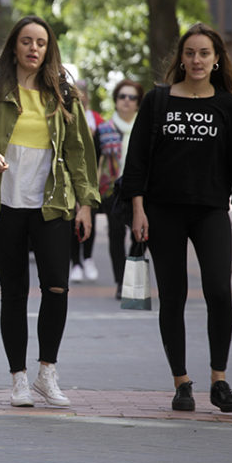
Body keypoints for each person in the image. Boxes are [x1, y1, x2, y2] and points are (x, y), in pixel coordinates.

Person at [0, 15, 100, 409]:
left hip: (51, 203)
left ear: (49, 49)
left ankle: (46, 373)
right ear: (14, 47)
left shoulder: (63, 95)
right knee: (13, 292)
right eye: (26, 41)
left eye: (41, 43)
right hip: (1, 204)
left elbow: (79, 153)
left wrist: (85, 202)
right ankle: (18, 378)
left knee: (57, 287)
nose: (34, 49)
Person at [122, 22, 232, 413]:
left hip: (211, 212)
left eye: (204, 53)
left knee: (219, 291)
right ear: (180, 59)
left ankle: (220, 381)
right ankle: (181, 382)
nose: (197, 60)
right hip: (163, 212)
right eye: (190, 53)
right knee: (173, 296)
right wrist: (138, 210)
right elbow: (136, 163)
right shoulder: (158, 100)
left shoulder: (230, 107)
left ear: (217, 59)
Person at [94, 78, 144, 299]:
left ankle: (133, 282)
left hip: (141, 190)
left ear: (138, 103)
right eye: (122, 96)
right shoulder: (103, 129)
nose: (126, 101)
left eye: (132, 97)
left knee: (141, 236)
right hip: (113, 191)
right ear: (115, 101)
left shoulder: (145, 129)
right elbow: (94, 161)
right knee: (116, 235)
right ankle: (120, 282)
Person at [69, 80, 103, 282]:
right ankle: (76, 263)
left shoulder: (96, 121)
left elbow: (100, 155)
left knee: (90, 218)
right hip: (71, 179)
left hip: (93, 179)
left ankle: (88, 258)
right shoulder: (65, 117)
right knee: (73, 221)